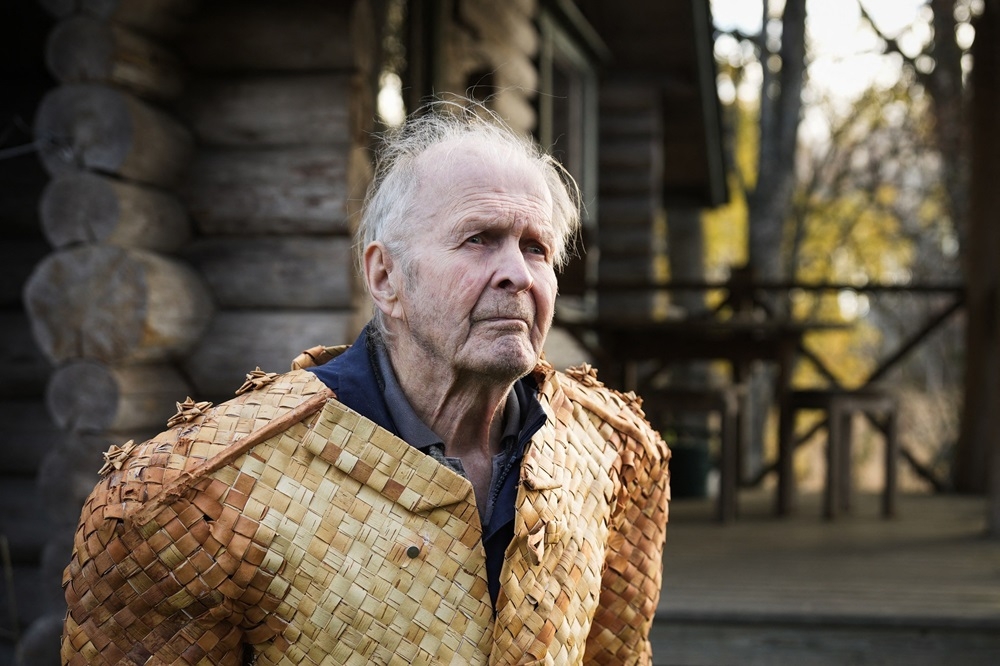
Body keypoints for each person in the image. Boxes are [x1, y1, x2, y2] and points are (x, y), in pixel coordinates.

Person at [61, 101, 671, 665]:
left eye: (536, 249)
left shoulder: (607, 455)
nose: (517, 274)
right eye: (478, 239)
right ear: (385, 278)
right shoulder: (196, 499)